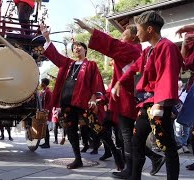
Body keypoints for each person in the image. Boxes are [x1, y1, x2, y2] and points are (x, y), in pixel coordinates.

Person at [75, 18, 165, 179]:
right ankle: (148, 161)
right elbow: (117, 78)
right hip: (123, 98)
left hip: (126, 101)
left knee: (126, 136)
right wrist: (103, 99)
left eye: (124, 35)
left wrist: (88, 28)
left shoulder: (131, 50)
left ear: (132, 37)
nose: (121, 38)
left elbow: (111, 44)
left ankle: (131, 170)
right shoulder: (135, 50)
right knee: (128, 137)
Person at [40, 23, 124, 170]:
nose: (76, 48)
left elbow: (97, 83)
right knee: (71, 130)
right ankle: (77, 159)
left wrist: (94, 97)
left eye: (79, 46)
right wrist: (47, 38)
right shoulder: (67, 64)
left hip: (83, 102)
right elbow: (55, 56)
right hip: (67, 102)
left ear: (85, 49)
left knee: (97, 127)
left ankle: (115, 152)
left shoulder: (91, 65)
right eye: (74, 47)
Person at [112, 11, 182, 180]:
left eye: (139, 29)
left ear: (149, 29)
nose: (137, 34)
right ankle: (134, 177)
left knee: (167, 146)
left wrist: (160, 102)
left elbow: (168, 75)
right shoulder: (148, 51)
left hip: (159, 103)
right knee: (137, 141)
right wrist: (119, 82)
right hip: (147, 104)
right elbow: (135, 67)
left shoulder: (167, 46)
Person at [175, 24, 194, 170]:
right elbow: (182, 64)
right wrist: (184, 45)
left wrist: (183, 28)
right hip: (192, 86)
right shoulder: (190, 50)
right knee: (191, 126)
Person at [39, 78, 52, 148]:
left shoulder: (48, 92)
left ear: (44, 83)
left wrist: (46, 110)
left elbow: (50, 103)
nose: (41, 84)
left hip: (46, 113)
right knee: (44, 128)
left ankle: (47, 144)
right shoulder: (42, 91)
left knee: (46, 129)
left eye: (42, 82)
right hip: (42, 112)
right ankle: (45, 142)